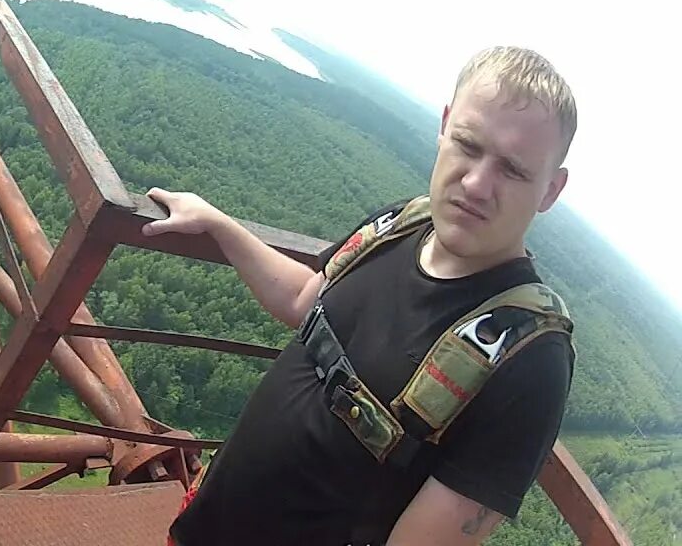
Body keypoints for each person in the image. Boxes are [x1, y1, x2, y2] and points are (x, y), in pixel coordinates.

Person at [145, 46, 578, 546]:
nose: (477, 184)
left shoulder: (532, 359)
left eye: (514, 170)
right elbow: (309, 300)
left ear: (551, 189)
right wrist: (221, 226)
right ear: (444, 126)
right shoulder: (401, 224)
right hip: (202, 522)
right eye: (467, 144)